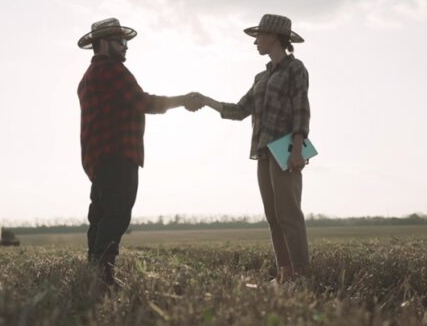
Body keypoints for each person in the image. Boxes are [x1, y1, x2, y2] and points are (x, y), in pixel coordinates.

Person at [77, 18, 203, 286]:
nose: (125, 47)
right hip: (119, 154)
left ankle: (94, 271)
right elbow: (144, 102)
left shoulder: (88, 77)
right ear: (102, 44)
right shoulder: (113, 71)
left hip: (97, 159)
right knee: (117, 214)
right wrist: (182, 101)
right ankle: (103, 273)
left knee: (99, 214)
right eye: (120, 42)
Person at [196, 14, 312, 283]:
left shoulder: (296, 69)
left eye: (259, 36)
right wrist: (205, 100)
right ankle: (285, 275)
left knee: (289, 214)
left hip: (286, 147)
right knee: (273, 217)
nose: (255, 41)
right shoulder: (261, 76)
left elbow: (301, 110)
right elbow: (239, 110)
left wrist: (297, 148)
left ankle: (303, 276)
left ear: (273, 36)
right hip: (263, 150)